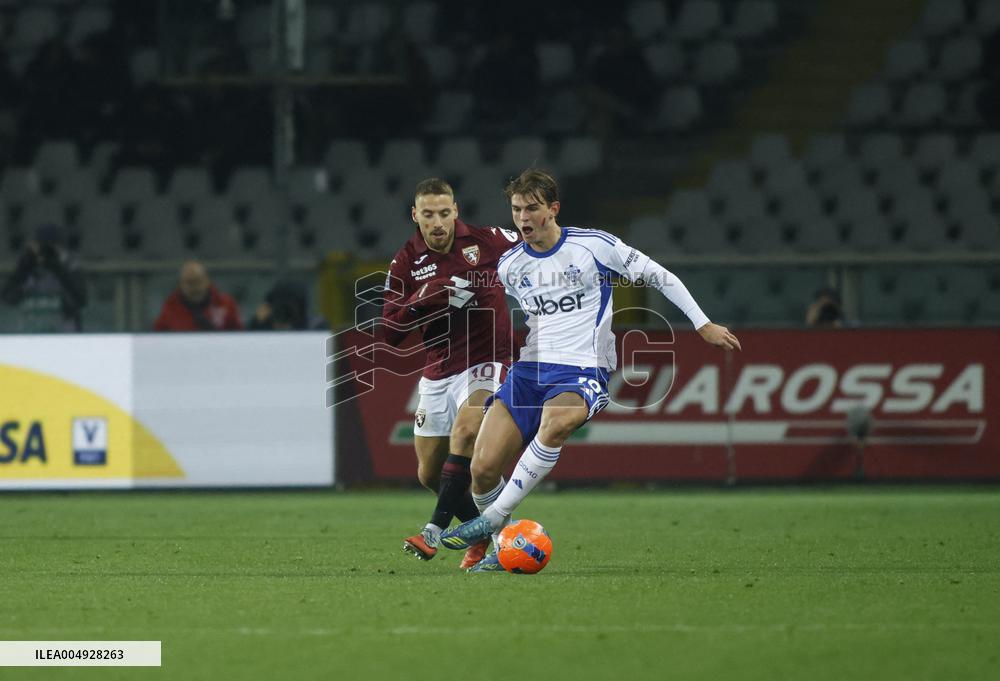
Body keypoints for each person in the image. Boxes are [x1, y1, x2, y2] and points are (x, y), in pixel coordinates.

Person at [439, 169, 741, 571]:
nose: (523, 218)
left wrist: (701, 323)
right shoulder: (510, 264)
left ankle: (492, 520)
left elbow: (659, 275)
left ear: (553, 209)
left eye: (532, 208)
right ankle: (500, 545)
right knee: (482, 468)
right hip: (530, 370)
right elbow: (486, 307)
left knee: (557, 422)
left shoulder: (594, 246)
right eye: (516, 210)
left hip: (583, 367)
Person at [381, 178, 521, 569]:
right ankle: (477, 534)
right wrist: (418, 301)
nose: (438, 222)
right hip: (439, 369)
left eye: (444, 212)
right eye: (428, 214)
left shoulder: (488, 240)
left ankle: (436, 531)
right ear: (415, 216)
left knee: (466, 432)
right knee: (429, 473)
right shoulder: (406, 261)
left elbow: (537, 247)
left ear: (455, 211)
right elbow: (389, 333)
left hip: (488, 359)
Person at [1, 223, 87, 332]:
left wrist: (57, 268)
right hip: (32, 331)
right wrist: (24, 268)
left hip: (64, 333)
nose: (45, 252)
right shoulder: (29, 267)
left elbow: (81, 300)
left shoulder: (70, 266)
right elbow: (8, 298)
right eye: (41, 247)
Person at [153, 260, 243, 331]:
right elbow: (158, 337)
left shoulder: (226, 304)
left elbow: (239, 335)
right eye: (189, 283)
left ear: (207, 281)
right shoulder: (170, 308)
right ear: (181, 284)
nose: (194, 288)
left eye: (197, 282)